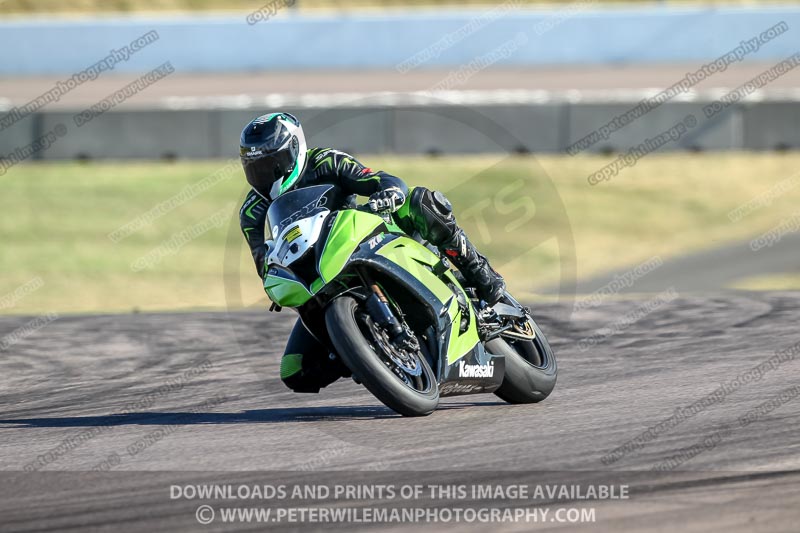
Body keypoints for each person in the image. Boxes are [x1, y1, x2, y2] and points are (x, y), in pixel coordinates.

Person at [238, 112, 505, 393]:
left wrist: (389, 193)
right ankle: (363, 352)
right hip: (316, 278)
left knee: (421, 201)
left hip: (364, 240)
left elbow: (378, 179)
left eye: (270, 164)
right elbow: (263, 262)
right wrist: (351, 349)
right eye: (254, 167)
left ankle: (480, 273)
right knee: (294, 371)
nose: (263, 175)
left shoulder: (326, 161)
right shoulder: (252, 211)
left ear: (294, 149)